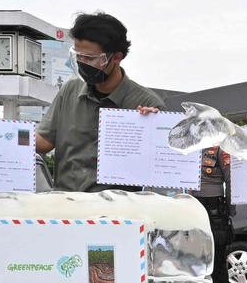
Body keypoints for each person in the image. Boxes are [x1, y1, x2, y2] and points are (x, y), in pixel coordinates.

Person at [37, 12, 163, 192]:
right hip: (66, 206)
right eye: (78, 56)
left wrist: (153, 131)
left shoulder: (145, 103)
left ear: (117, 57)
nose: (82, 63)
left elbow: (156, 168)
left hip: (117, 212)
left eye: (89, 58)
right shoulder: (69, 91)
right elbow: (43, 141)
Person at [193, 146, 234, 283]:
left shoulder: (219, 146)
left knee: (217, 257)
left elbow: (230, 178)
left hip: (214, 206)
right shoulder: (185, 142)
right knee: (190, 257)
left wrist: (231, 206)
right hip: (189, 203)